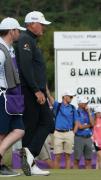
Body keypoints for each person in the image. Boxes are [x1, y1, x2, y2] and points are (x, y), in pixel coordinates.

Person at [15, 11, 54, 176]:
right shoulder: (25, 40)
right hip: (31, 91)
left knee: (32, 127)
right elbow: (25, 68)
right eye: (41, 23)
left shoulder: (31, 41)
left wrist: (44, 90)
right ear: (31, 24)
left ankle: (29, 161)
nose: (43, 26)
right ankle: (29, 157)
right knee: (46, 123)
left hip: (35, 91)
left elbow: (36, 70)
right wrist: (37, 90)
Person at [0, 17, 25, 177]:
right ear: (11, 31)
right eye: (17, 30)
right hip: (2, 95)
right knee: (2, 133)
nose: (19, 33)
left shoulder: (9, 48)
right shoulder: (1, 50)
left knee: (19, 129)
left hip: (10, 95)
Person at [47, 89, 79, 169]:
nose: (72, 98)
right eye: (70, 97)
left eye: (72, 97)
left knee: (68, 156)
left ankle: (67, 176)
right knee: (57, 156)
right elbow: (49, 96)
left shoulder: (72, 108)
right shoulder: (57, 105)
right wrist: (46, 87)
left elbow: (77, 122)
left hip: (69, 133)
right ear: (64, 97)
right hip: (58, 133)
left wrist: (73, 133)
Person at [74, 96, 94, 169]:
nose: (86, 103)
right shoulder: (76, 112)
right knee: (77, 159)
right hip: (79, 137)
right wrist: (89, 125)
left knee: (88, 159)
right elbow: (80, 126)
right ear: (79, 103)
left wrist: (88, 112)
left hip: (88, 138)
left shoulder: (89, 112)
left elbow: (93, 123)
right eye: (84, 102)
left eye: (87, 102)